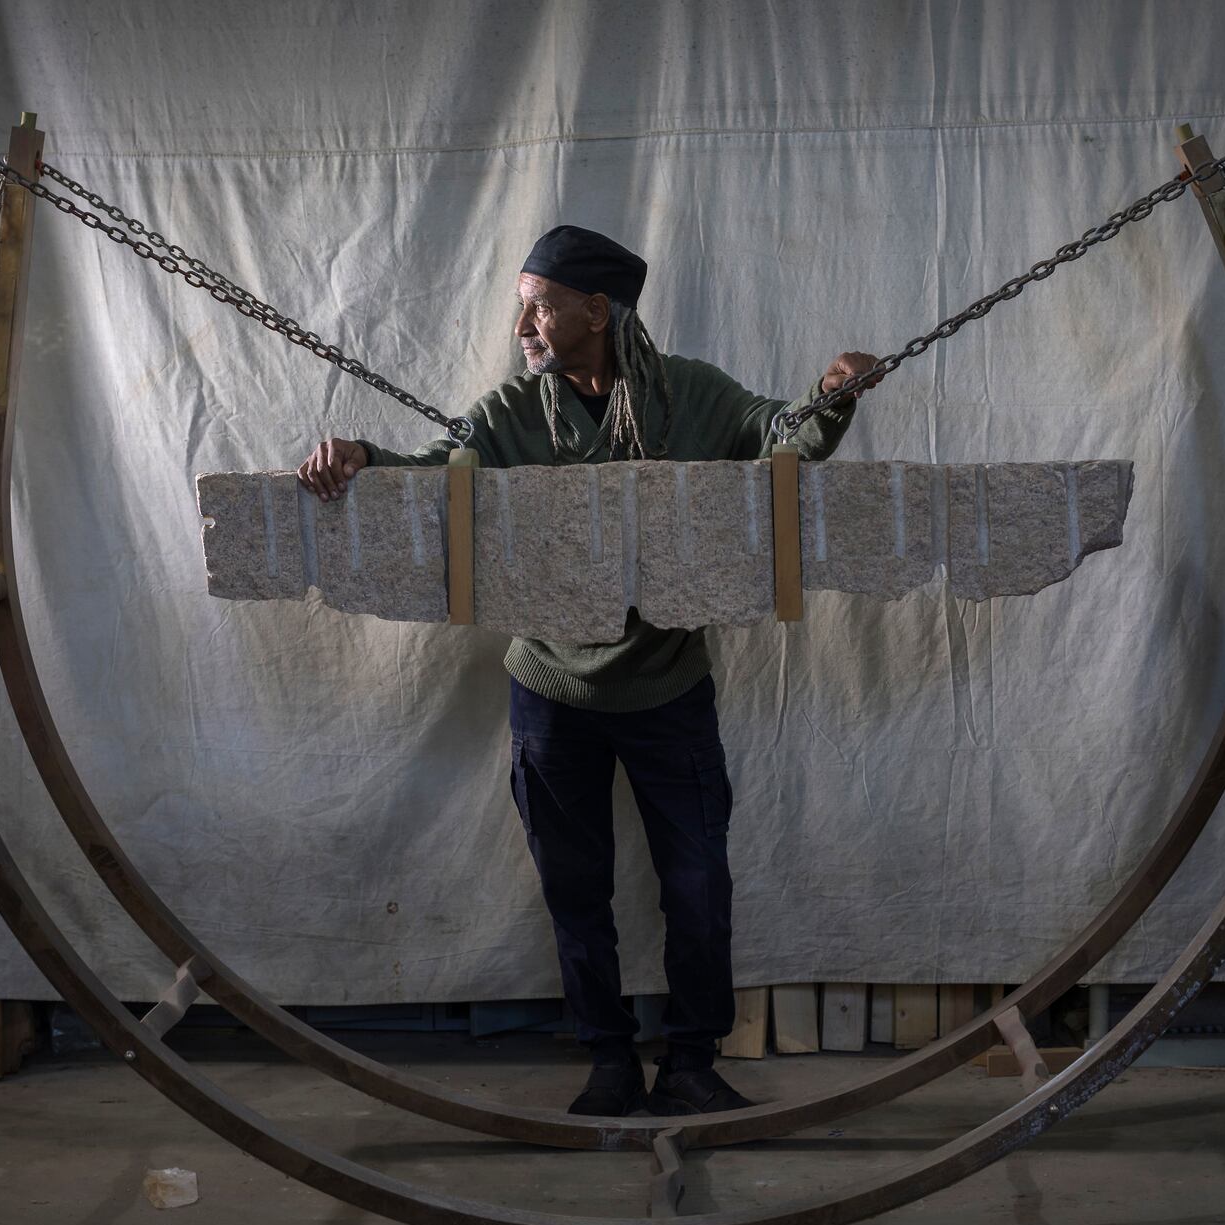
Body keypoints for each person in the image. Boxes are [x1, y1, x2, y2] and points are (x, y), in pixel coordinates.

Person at [299, 225, 880, 1116]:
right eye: (523, 303)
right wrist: (360, 459)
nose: (524, 323)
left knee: (697, 883)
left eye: (541, 303)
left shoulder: (688, 393)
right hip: (550, 694)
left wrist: (833, 395)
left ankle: (691, 1060)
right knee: (576, 888)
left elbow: (779, 438)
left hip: (667, 687)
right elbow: (431, 481)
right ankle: (608, 1059)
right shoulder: (506, 415)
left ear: (597, 311)